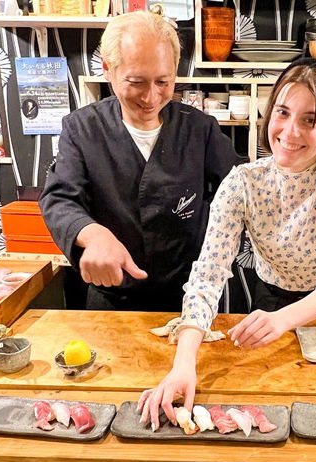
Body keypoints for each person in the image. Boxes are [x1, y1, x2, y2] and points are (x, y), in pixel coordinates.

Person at [138, 58, 316, 429]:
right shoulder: (243, 183)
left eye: (310, 120)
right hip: (269, 300)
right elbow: (208, 275)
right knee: (273, 409)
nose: (289, 131)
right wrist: (183, 364)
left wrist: (284, 320)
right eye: (283, 112)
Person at [39, 12, 239, 311]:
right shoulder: (82, 129)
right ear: (108, 69)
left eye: (163, 81)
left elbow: (237, 191)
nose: (151, 97)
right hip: (113, 296)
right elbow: (59, 199)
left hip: (190, 293)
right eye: (136, 82)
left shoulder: (200, 129)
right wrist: (92, 235)